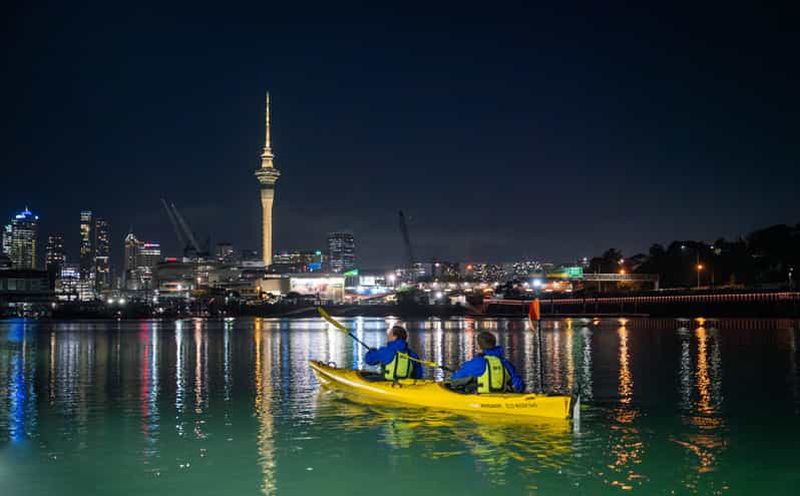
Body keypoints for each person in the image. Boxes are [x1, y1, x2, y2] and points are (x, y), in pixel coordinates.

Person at [450, 331, 524, 393]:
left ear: (479, 346)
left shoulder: (478, 362)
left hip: (482, 399)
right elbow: (519, 385)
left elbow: (455, 378)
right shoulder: (505, 363)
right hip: (501, 398)